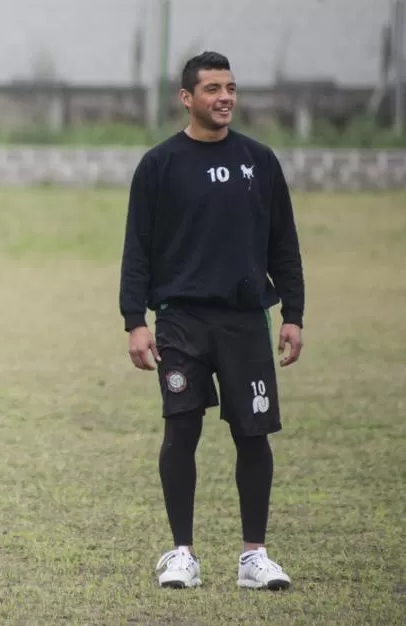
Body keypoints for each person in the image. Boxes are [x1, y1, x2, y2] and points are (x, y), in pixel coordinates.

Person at [118, 51, 305, 591]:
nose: (224, 97)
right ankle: (182, 554)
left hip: (247, 321)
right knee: (181, 429)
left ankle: (254, 556)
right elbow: (138, 249)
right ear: (187, 98)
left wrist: (293, 314)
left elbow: (284, 245)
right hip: (180, 320)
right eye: (212, 89)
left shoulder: (260, 161)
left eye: (230, 88)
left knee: (254, 435)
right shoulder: (159, 165)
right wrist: (135, 319)